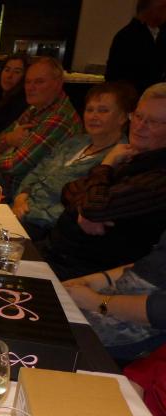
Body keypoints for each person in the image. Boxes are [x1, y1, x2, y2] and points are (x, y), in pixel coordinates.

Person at [38, 83, 166, 280]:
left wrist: (106, 164)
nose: (140, 126)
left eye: (153, 122)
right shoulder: (132, 155)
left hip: (83, 274)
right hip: (55, 253)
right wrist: (86, 206)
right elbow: (69, 189)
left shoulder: (158, 177)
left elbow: (94, 207)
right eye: (138, 116)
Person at [11, 82, 137, 241]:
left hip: (47, 230)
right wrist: (21, 195)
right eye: (89, 110)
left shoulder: (117, 158)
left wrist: (29, 213)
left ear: (123, 117)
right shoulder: (75, 142)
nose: (93, 116)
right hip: (21, 211)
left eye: (103, 110)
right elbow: (38, 170)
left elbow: (75, 209)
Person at [64, 228, 166, 361]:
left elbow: (158, 311)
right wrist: (88, 281)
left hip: (132, 328)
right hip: (111, 300)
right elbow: (148, 266)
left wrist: (97, 302)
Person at [0, 56, 82, 199]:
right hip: (7, 188)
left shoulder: (59, 118)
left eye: (39, 82)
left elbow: (14, 165)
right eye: (27, 82)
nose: (30, 88)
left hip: (26, 200)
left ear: (58, 83)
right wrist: (8, 139)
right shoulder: (36, 107)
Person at [105, 0, 166, 97]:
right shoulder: (127, 36)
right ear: (147, 10)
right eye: (162, 8)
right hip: (134, 97)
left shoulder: (161, 34)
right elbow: (115, 76)